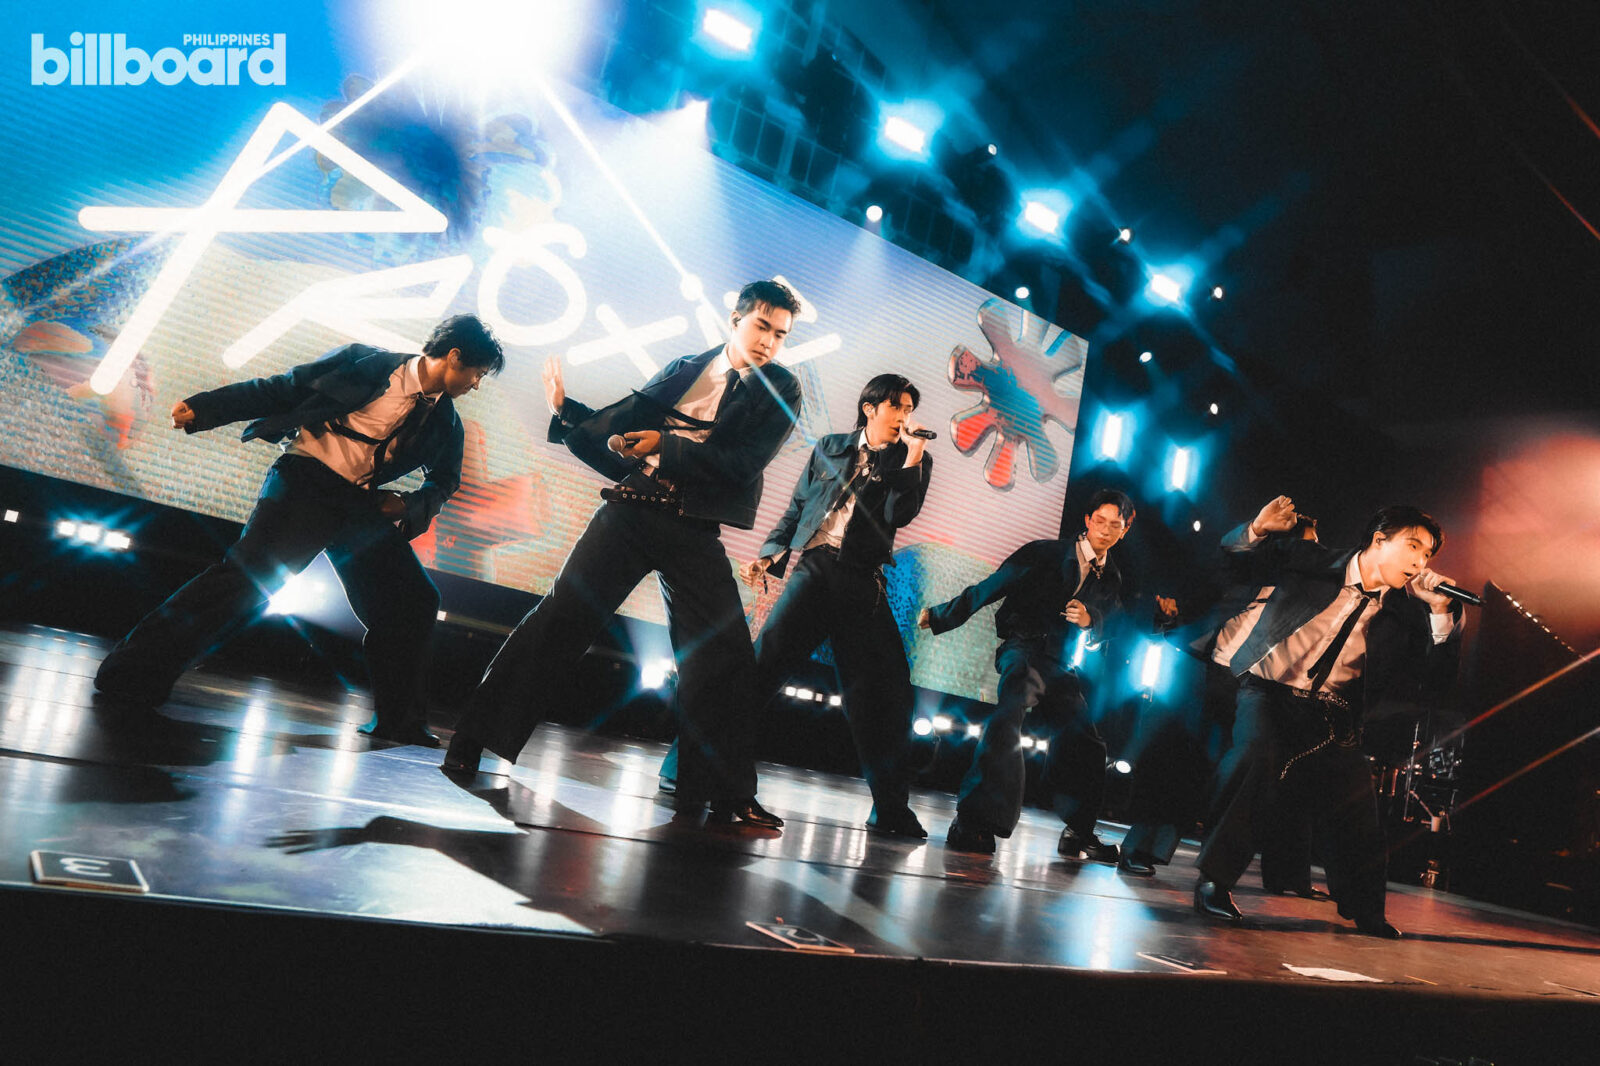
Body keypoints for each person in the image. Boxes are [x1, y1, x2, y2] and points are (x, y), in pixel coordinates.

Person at [443, 280, 804, 830]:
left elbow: (742, 464)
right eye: (761, 327)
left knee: (724, 658)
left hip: (694, 529)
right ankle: (473, 738)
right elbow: (626, 426)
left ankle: (727, 792)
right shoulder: (687, 367)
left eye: (780, 334)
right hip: (633, 510)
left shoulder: (781, 388)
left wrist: (665, 446)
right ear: (735, 321)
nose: (769, 342)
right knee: (561, 617)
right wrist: (567, 413)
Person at [95, 314, 506, 746]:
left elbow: (445, 481)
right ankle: (130, 675)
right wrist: (208, 407)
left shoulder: (445, 421)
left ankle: (400, 721)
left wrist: (406, 504)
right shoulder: (365, 363)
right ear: (454, 356)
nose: (476, 384)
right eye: (477, 373)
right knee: (245, 582)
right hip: (305, 481)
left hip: (358, 503)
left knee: (413, 600)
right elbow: (284, 387)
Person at [659, 373, 933, 838]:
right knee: (757, 672)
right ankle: (682, 770)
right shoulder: (831, 446)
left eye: (909, 409)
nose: (904, 417)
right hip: (815, 569)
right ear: (870, 408)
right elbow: (798, 507)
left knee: (885, 694)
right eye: (896, 407)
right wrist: (770, 554)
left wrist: (912, 456)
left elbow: (899, 514)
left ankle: (890, 809)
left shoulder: (912, 459)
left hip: (862, 581)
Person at [1192, 496, 1464, 938]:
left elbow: (1435, 684)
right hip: (1268, 689)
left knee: (1357, 802)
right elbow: (1233, 566)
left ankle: (1366, 910)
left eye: (1428, 554)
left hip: (1332, 712)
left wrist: (1439, 611)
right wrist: (1256, 529)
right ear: (1379, 540)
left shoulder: (1406, 613)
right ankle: (1214, 882)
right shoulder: (1312, 560)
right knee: (1256, 758)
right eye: (1412, 546)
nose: (1420, 562)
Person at [918, 489, 1137, 859]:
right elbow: (992, 586)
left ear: (1125, 530)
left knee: (1087, 740)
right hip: (1024, 647)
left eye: (1115, 525)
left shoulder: (1111, 575)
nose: (1105, 530)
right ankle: (973, 819)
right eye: (1099, 521)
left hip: (1061, 664)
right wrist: (943, 615)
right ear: (1087, 520)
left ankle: (1078, 831)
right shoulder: (1045, 553)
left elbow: (1114, 621)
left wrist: (1091, 620)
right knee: (1009, 715)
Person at [1119, 513, 1327, 893]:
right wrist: (1259, 528)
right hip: (1205, 670)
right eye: (1306, 543)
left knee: (1267, 775)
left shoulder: (1313, 592)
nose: (1313, 551)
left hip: (1260, 687)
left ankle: (1279, 875)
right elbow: (1230, 549)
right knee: (1179, 761)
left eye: (1315, 545)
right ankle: (1141, 849)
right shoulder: (1247, 571)